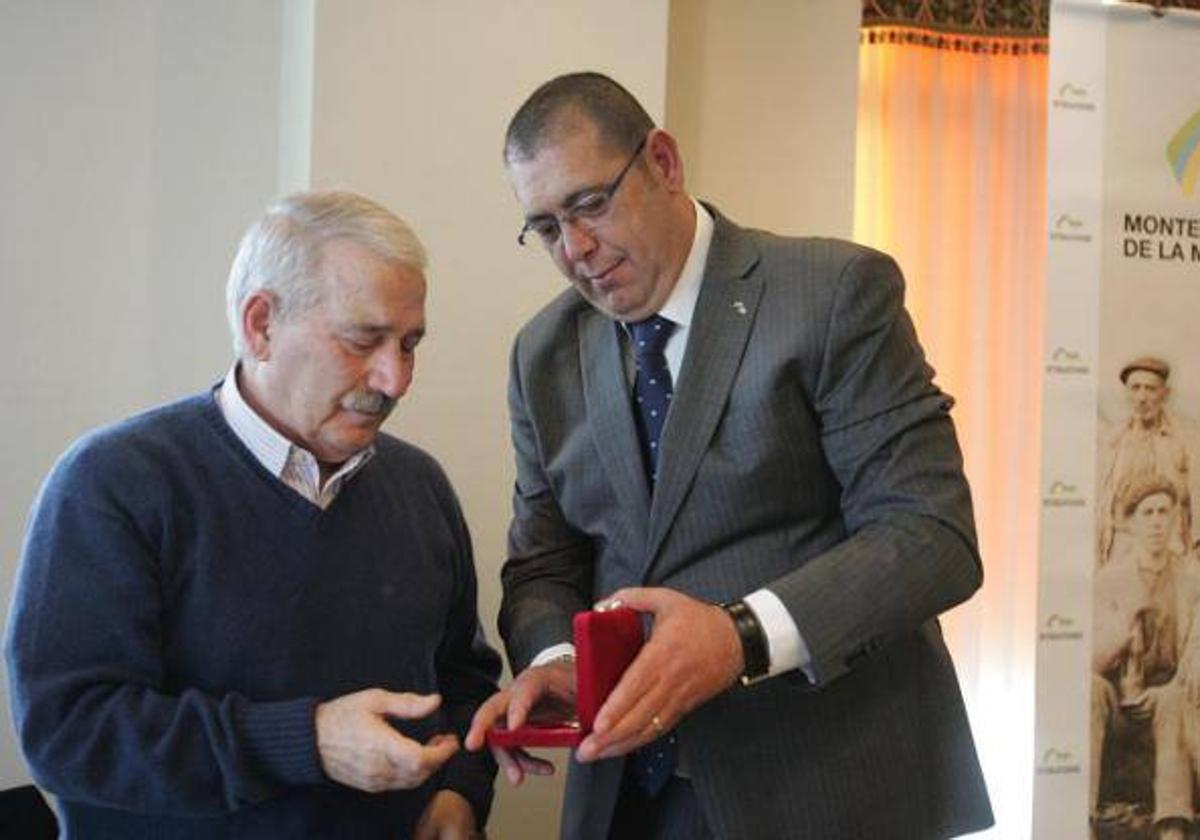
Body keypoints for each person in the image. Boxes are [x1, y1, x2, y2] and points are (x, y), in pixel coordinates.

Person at [465, 72, 993, 838]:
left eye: (589, 204)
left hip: (828, 792)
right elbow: (545, 563)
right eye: (545, 228)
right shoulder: (541, 353)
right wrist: (554, 660)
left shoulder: (833, 292)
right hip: (629, 801)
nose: (575, 249)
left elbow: (929, 537)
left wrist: (739, 637)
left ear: (664, 164)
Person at [5, 191, 501, 838]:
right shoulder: (111, 484)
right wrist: (310, 741)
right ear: (261, 324)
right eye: (363, 340)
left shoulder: (419, 485)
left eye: (409, 344)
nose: (395, 379)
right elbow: (68, 733)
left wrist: (459, 791)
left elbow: (464, 682)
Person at [1091, 476, 1200, 840]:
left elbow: (1194, 652)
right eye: (1147, 512)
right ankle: (1082, 817)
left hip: (1166, 694)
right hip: (1118, 697)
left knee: (1171, 700)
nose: (1156, 521)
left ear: (1173, 520)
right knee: (1090, 690)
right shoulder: (1108, 580)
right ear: (1133, 522)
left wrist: (1171, 686)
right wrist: (1123, 630)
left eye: (1163, 512)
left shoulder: (1190, 579)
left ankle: (1173, 823)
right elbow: (1091, 660)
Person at [1097, 356, 1199, 566]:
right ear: (1126, 394)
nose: (1142, 397)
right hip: (1121, 548)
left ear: (1165, 394)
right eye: (1135, 388)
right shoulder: (1114, 440)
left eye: (1150, 389)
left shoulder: (1187, 439)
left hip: (1170, 549)